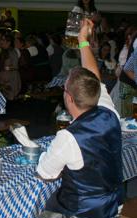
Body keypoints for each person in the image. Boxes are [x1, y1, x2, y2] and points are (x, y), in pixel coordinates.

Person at [37, 19, 122, 218]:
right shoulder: (110, 112)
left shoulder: (68, 137)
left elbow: (44, 173)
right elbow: (94, 77)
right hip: (114, 204)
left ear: (69, 97)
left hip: (83, 213)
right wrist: (82, 39)